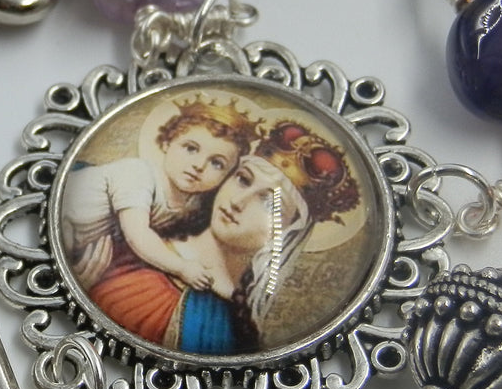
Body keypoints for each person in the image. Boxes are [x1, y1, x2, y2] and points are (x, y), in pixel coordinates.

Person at [88, 119, 361, 356]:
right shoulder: (129, 240)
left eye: (268, 203)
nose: (238, 202)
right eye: (243, 180)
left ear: (289, 234)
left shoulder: (227, 326)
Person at [59, 98, 259, 292]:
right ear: (167, 143)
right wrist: (182, 268)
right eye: (191, 148)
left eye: (217, 163)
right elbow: (138, 235)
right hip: (64, 218)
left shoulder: (195, 203)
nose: (199, 165)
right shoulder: (137, 173)